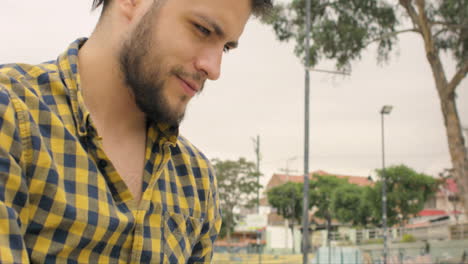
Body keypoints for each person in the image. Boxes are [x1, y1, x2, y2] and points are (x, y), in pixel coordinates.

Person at [0, 0, 272, 263]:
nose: (213, 69)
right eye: (202, 29)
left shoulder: (196, 179)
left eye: (224, 48)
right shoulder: (13, 115)